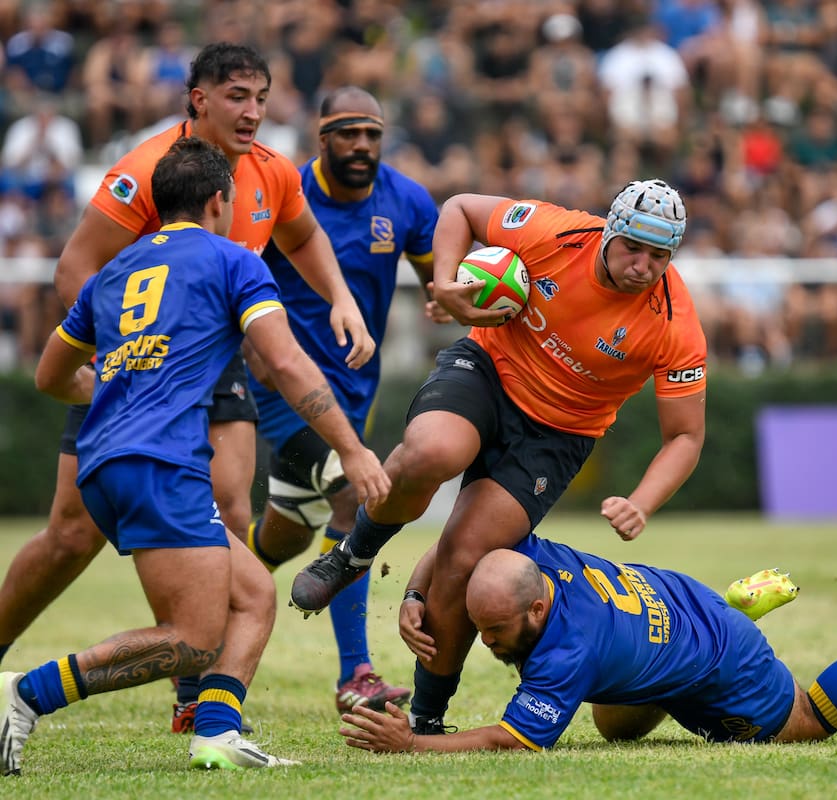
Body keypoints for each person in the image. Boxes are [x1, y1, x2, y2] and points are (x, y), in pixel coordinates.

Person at [0, 42, 375, 732]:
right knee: (71, 536)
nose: (253, 112)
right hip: (133, 363)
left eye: (261, 98)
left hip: (214, 356)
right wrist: (133, 359)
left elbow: (302, 238)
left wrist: (341, 298)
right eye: (237, 96)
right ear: (198, 99)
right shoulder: (144, 170)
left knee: (226, 513)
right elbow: (74, 271)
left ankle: (196, 702)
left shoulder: (271, 171)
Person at [291, 178, 709, 734]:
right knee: (433, 450)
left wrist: (643, 502)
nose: (643, 266)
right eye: (633, 247)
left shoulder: (674, 322)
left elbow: (685, 437)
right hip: (487, 371)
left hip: (558, 434)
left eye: (659, 256)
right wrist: (446, 284)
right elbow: (460, 208)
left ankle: (426, 719)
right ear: (609, 232)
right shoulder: (557, 233)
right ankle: (353, 555)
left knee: (466, 556)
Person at [336, 534, 837, 753]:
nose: (487, 641)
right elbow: (458, 541)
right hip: (671, 602)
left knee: (807, 720)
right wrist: (416, 592)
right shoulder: (530, 556)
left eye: (497, 632)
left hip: (723, 656)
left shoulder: (566, 654)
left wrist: (412, 744)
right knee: (613, 730)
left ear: (537, 608)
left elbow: (510, 740)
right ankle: (728, 607)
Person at [241, 86, 445, 714]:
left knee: (285, 536)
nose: (362, 145)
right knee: (355, 494)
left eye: (372, 134)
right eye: (348, 133)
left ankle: (216, 591)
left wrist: (451, 297)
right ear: (321, 138)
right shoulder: (283, 195)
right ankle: (356, 675)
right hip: (281, 387)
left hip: (354, 391)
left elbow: (437, 279)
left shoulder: (407, 200)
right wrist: (255, 351)